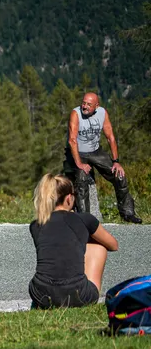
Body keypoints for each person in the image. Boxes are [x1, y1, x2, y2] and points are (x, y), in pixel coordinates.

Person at [28, 173, 118, 309]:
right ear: (69, 198)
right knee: (98, 247)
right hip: (78, 295)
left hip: (40, 294)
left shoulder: (36, 225)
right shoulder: (84, 219)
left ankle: (47, 303)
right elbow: (113, 245)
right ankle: (88, 295)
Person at [62, 92, 142, 224]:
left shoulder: (102, 113)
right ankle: (85, 220)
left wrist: (116, 162)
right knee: (82, 180)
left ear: (96, 106)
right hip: (77, 152)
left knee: (119, 175)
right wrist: (79, 164)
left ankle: (127, 214)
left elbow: (110, 137)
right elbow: (72, 140)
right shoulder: (75, 114)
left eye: (89, 104)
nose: (85, 106)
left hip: (95, 152)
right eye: (83, 103)